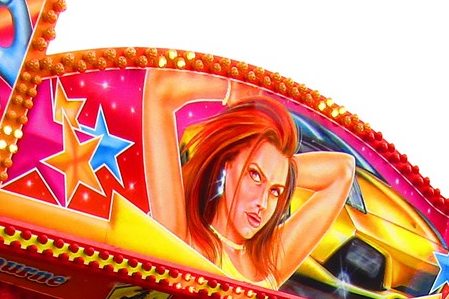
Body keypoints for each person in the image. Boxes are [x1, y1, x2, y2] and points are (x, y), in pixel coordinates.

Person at [140, 70, 356, 287]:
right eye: (254, 175)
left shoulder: (270, 263)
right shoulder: (182, 236)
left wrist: (279, 170)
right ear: (228, 162)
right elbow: (160, 88)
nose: (262, 203)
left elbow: (343, 170)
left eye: (275, 191)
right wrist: (231, 90)